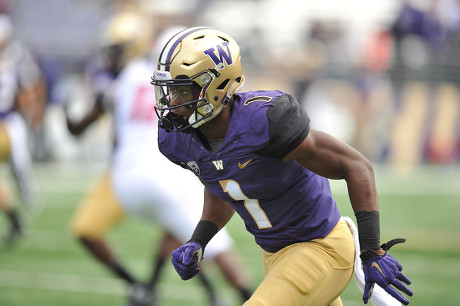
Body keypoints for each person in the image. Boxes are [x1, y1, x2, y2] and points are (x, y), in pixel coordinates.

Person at [151, 27, 414, 305]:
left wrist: (372, 250)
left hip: (320, 246)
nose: (173, 102)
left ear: (215, 86)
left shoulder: (266, 122)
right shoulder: (177, 140)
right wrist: (199, 240)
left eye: (181, 90)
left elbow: (356, 165)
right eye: (169, 91)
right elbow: (222, 185)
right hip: (275, 257)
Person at [67, 14, 252, 306]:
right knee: (210, 236)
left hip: (124, 178)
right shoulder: (187, 85)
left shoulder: (129, 76)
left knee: (175, 225)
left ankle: (148, 287)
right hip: (167, 170)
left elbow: (88, 121)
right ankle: (243, 296)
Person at [0, 13, 44, 245]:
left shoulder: (16, 58)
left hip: (8, 119)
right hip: (8, 119)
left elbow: (28, 87)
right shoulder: (14, 58)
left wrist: (31, 110)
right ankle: (18, 212)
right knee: (18, 164)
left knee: (20, 163)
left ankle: (25, 197)